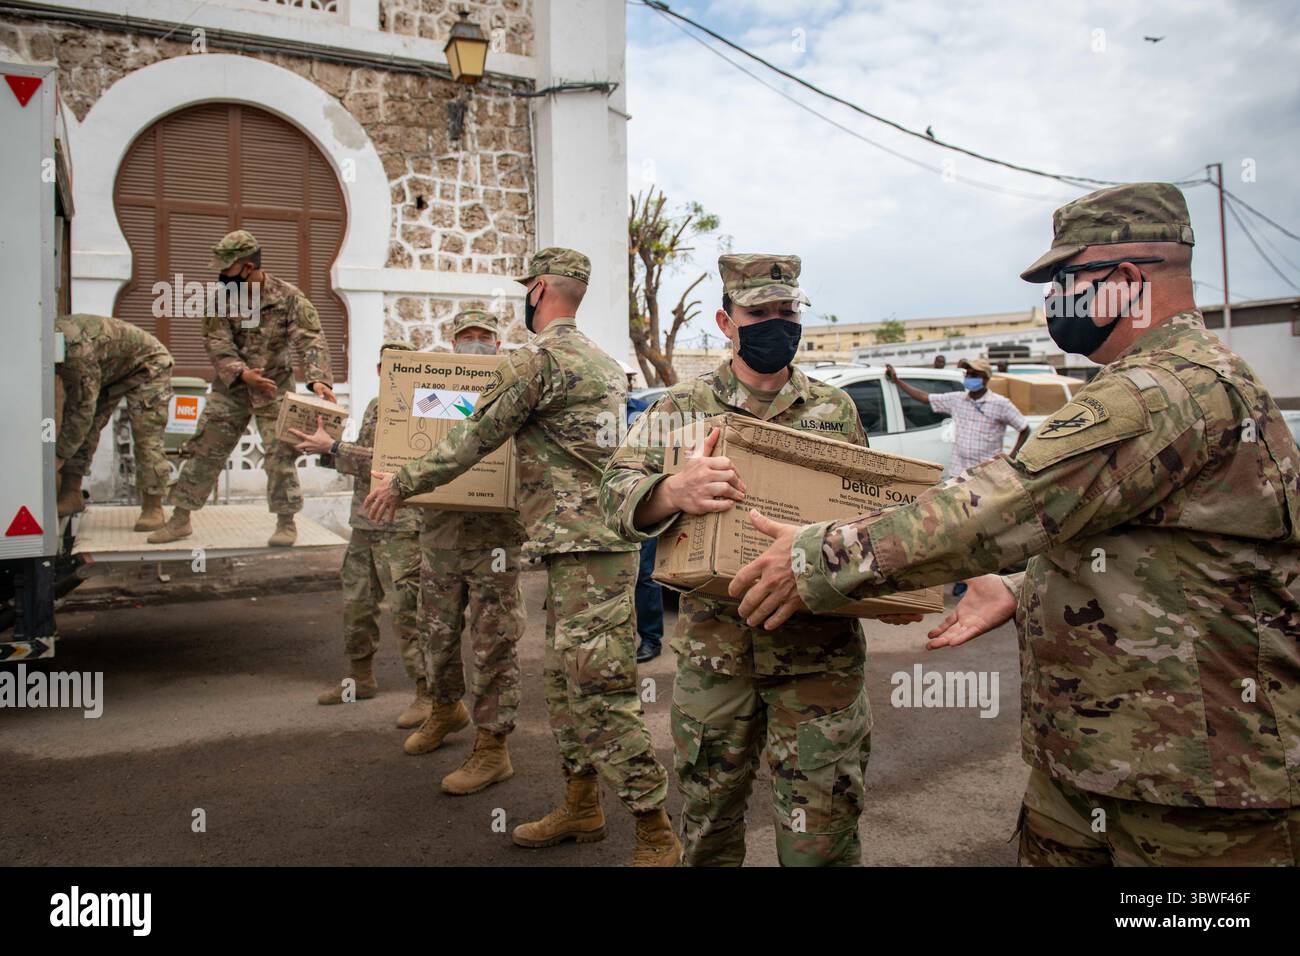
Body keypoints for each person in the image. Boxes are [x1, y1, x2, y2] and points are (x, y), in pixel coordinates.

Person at [728, 183, 1300, 866]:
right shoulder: (1179, 380)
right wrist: (1023, 587)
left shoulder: (1166, 389)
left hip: (1192, 786)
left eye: (1064, 279)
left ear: (1123, 281)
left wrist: (818, 556)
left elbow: (1002, 504)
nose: (1053, 299)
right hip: (1115, 759)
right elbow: (1150, 557)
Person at [364, 248, 679, 865]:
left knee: (600, 692)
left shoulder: (538, 361)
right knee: (563, 685)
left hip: (588, 550)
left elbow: (473, 437)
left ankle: (655, 829)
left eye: (523, 292)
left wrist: (400, 483)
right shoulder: (604, 363)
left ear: (537, 290)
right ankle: (582, 805)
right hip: (587, 550)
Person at [600, 253, 874, 867]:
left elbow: (870, 512)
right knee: (709, 827)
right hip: (716, 658)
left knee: (820, 838)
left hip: (818, 658)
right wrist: (672, 491)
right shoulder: (680, 410)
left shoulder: (835, 410)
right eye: (760, 313)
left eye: (788, 311)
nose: (777, 323)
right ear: (728, 323)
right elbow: (610, 499)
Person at [399, 311, 528, 797]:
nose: (474, 344)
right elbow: (405, 451)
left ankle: (493, 747)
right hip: (440, 536)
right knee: (435, 634)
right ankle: (445, 707)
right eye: (465, 338)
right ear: (452, 346)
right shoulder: (433, 395)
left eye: (484, 338)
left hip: (494, 541)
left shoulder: (517, 389)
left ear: (498, 345)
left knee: (494, 641)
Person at [149, 230, 335, 547]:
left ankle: (286, 522)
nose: (221, 276)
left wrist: (318, 378)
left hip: (274, 388)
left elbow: (310, 338)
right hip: (231, 389)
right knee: (204, 450)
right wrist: (243, 374)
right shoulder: (219, 300)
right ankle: (180, 519)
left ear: (247, 267)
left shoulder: (289, 298)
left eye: (226, 269)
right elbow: (216, 343)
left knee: (281, 453)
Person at [292, 341, 426, 728]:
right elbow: (363, 462)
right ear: (380, 370)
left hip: (402, 528)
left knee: (408, 613)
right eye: (387, 366)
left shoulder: (425, 406)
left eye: (402, 365)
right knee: (357, 605)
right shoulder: (374, 406)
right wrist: (325, 446)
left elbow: (397, 465)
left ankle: (426, 693)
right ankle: (360, 678)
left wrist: (335, 447)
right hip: (365, 522)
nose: (392, 373)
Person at [54, 314, 174, 531]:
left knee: (146, 435)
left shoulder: (74, 350)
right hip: (110, 370)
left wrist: (60, 455)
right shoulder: (41, 339)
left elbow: (81, 409)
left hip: (148, 366)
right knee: (87, 425)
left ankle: (153, 506)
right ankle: (71, 492)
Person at [623, 372, 665, 664]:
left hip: (642, 503)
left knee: (645, 577)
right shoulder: (589, 410)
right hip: (608, 506)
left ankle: (651, 639)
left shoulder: (638, 411)